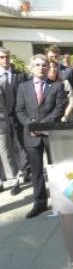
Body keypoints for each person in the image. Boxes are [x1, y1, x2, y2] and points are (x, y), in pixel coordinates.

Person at [16, 54, 67, 218]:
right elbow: (19, 110)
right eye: (37, 65)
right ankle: (40, 203)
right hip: (31, 135)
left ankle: (60, 201)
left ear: (49, 67)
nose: (41, 68)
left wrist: (42, 125)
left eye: (44, 65)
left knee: (56, 169)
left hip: (50, 133)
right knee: (37, 172)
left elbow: (59, 109)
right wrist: (31, 125)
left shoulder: (58, 85)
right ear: (32, 67)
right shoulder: (23, 87)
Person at [0, 47, 22, 195]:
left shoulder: (18, 75)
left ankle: (15, 179)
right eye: (1, 57)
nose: (5, 59)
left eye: (6, 57)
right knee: (3, 149)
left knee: (12, 149)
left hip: (15, 117)